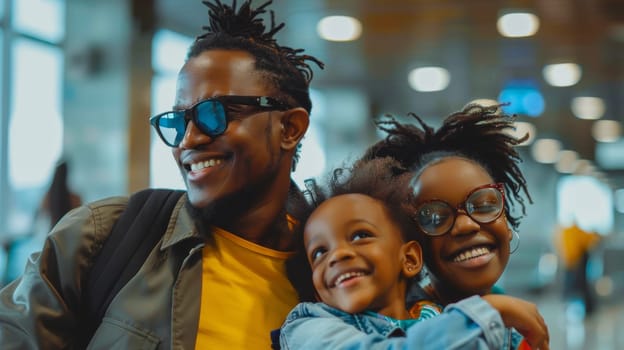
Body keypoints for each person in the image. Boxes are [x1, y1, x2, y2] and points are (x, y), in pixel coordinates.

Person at [0, 1, 323, 349]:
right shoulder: (101, 238)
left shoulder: (331, 274)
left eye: (214, 114)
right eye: (177, 121)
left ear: (290, 128)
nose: (189, 139)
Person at [280, 156, 549, 349]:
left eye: (360, 236)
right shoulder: (311, 325)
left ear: (409, 258)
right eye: (319, 253)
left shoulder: (439, 318)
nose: (337, 255)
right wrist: (485, 314)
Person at [358, 103, 543, 349]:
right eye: (435, 217)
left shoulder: (513, 318)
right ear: (412, 246)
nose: (466, 225)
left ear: (505, 218)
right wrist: (486, 312)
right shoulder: (400, 326)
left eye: (484, 205)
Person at [553, 221, 601, 317]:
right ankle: (582, 307)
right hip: (573, 261)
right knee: (576, 285)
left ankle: (587, 308)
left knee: (578, 285)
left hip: (576, 261)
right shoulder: (569, 232)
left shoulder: (571, 232)